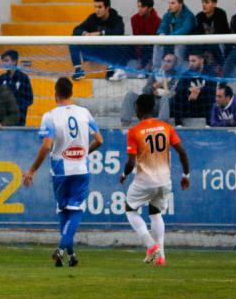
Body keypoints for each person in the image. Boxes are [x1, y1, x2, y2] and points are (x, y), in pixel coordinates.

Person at [22, 77, 104, 267]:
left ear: (55, 93)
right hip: (80, 169)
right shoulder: (84, 112)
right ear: (71, 92)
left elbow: (46, 145)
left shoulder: (50, 116)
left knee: (64, 210)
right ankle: (70, 252)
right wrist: (83, 154)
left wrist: (32, 170)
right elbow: (99, 140)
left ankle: (63, 250)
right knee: (75, 210)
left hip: (60, 170)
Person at [120, 93, 190, 266]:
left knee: (130, 210)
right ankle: (161, 257)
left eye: (136, 107)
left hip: (144, 181)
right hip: (164, 181)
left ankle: (151, 246)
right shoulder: (166, 127)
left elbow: (130, 161)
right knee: (156, 213)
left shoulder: (134, 131)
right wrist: (186, 175)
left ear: (139, 109)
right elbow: (182, 152)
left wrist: (124, 174)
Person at [70, 0, 125, 81]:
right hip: (94, 51)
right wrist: (86, 34)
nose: (97, 10)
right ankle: (78, 71)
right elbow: (76, 30)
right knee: (73, 41)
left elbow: (119, 32)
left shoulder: (117, 19)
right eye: (95, 7)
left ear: (107, 8)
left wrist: (100, 33)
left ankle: (111, 70)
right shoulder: (92, 18)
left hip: (109, 51)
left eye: (100, 7)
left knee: (121, 43)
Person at [120, 52, 179, 124]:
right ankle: (125, 123)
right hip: (149, 105)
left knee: (165, 97)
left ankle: (162, 123)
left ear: (175, 64)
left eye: (169, 61)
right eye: (164, 60)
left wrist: (160, 92)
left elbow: (173, 93)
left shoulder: (177, 77)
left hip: (162, 107)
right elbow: (145, 90)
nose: (165, 63)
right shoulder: (155, 74)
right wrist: (154, 86)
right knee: (130, 95)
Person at [153, 0, 195, 68]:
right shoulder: (167, 15)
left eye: (173, 3)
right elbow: (162, 28)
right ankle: (156, 70)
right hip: (170, 41)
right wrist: (162, 34)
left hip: (188, 45)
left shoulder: (189, 16)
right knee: (158, 43)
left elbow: (185, 30)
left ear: (180, 4)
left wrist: (170, 37)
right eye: (169, 3)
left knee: (179, 44)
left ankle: (178, 71)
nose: (170, 6)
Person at [171, 52, 215, 125]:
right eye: (190, 61)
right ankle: (178, 124)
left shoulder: (210, 73)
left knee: (209, 98)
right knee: (176, 98)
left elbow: (212, 90)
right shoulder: (186, 74)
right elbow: (178, 89)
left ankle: (208, 124)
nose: (191, 63)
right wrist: (190, 92)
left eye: (194, 61)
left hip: (203, 103)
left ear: (201, 60)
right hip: (190, 103)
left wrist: (198, 91)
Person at [194, 0, 231, 67]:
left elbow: (219, 33)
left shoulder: (220, 13)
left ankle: (221, 67)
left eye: (207, 2)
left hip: (220, 43)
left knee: (214, 46)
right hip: (205, 44)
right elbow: (198, 34)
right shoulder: (199, 16)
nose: (204, 5)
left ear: (214, 4)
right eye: (203, 2)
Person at [0, 50, 34, 122]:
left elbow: (29, 99)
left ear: (14, 61)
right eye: (3, 61)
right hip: (4, 120)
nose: (4, 63)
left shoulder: (23, 78)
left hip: (19, 119)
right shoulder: (2, 78)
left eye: (6, 60)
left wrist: (18, 108)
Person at [130, 0, 161, 72]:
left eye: (142, 7)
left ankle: (146, 66)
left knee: (148, 45)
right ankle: (119, 69)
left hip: (150, 48)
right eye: (138, 6)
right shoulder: (134, 19)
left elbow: (153, 39)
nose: (139, 9)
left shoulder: (157, 21)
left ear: (150, 8)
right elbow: (136, 36)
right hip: (138, 47)